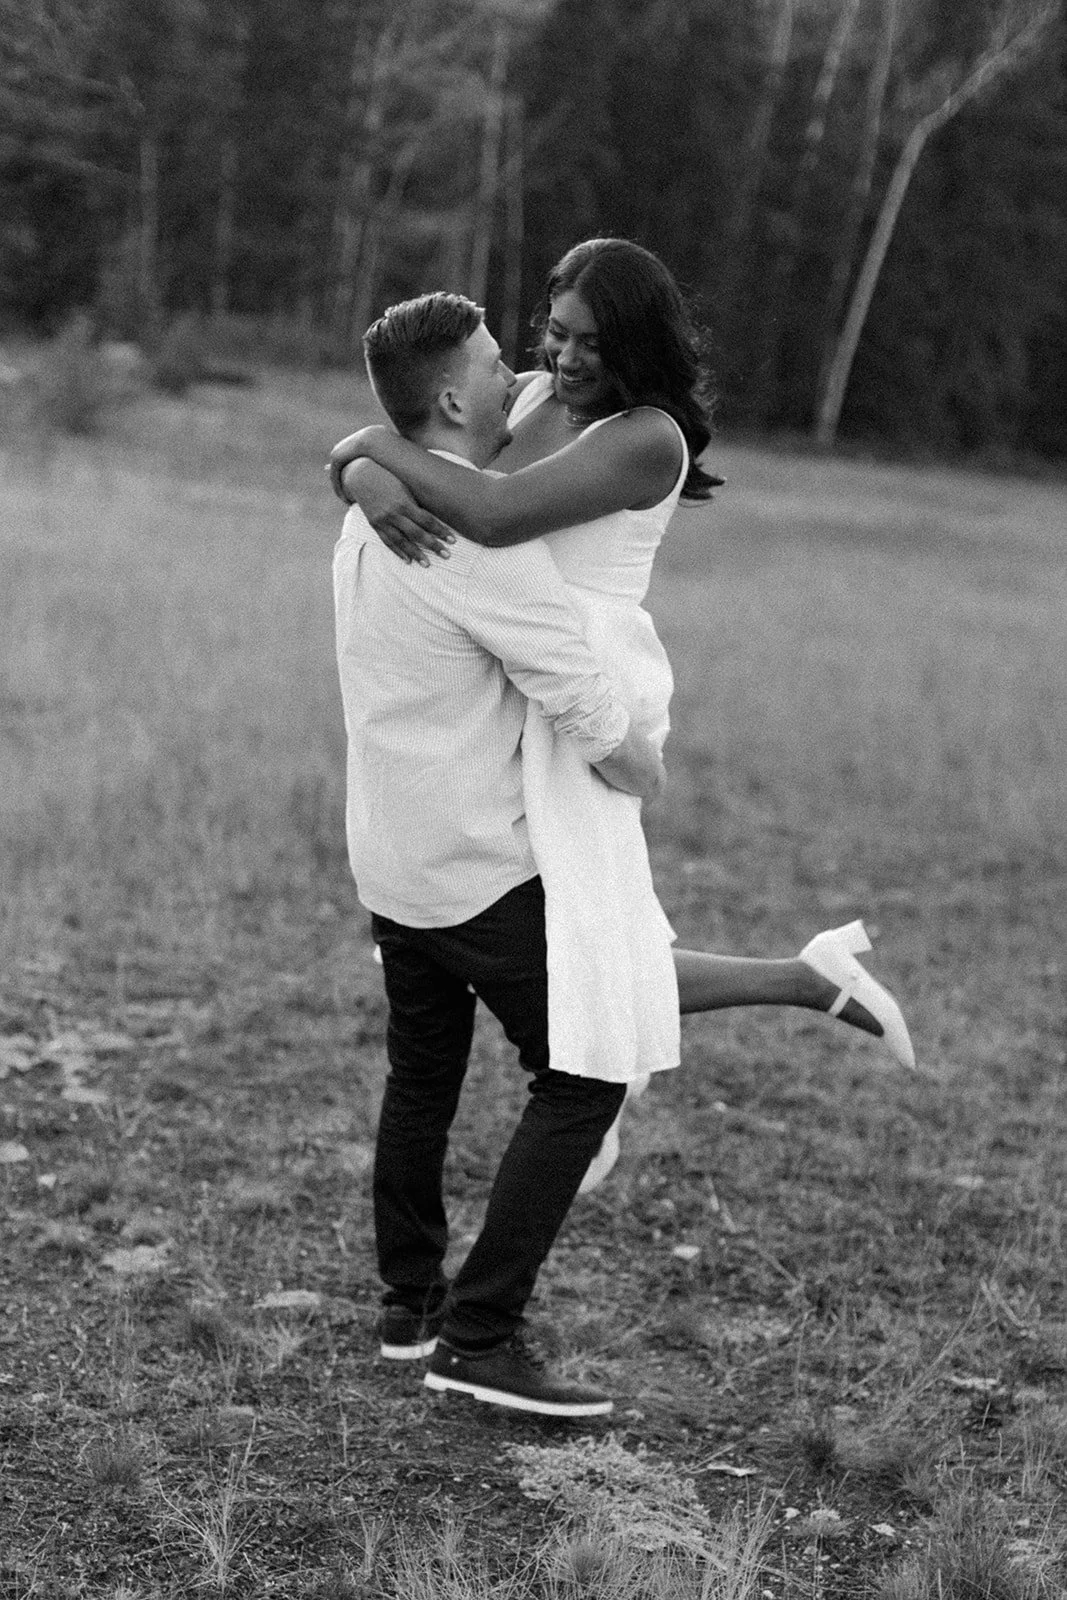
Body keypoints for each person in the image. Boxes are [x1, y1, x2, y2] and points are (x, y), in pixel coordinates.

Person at [329, 239, 916, 1189]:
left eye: (589, 342)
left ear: (635, 342)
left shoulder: (647, 437)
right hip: (516, 665)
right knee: (586, 936)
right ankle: (795, 985)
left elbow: (494, 510)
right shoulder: (531, 394)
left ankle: (606, 1090)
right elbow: (434, 421)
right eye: (553, 333)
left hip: (583, 687)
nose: (562, 358)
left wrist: (365, 452)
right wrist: (358, 464)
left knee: (592, 937)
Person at [334, 290, 668, 1418]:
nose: (518, 373)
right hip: (470, 866)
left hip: (387, 857)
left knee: (422, 1076)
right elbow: (576, 692)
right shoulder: (461, 542)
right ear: (447, 397)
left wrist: (364, 462)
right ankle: (478, 1335)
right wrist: (641, 764)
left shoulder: (375, 513)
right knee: (585, 1076)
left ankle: (407, 1304)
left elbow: (391, 443)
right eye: (492, 363)